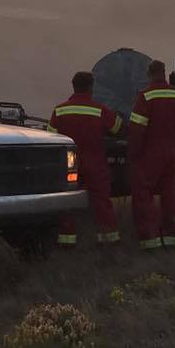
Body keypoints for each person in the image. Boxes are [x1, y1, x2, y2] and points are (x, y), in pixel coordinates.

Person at [47, 71, 123, 246]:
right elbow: (118, 127)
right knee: (102, 202)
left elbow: (50, 137)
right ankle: (108, 240)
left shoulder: (60, 110)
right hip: (95, 163)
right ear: (90, 87)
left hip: (69, 164)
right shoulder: (99, 109)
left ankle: (67, 240)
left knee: (67, 201)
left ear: (73, 86)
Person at [128, 59, 175, 249]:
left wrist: (134, 153)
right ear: (164, 72)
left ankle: (149, 240)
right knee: (169, 195)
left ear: (149, 73)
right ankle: (172, 238)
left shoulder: (145, 96)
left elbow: (137, 128)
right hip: (171, 152)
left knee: (143, 194)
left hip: (150, 153)